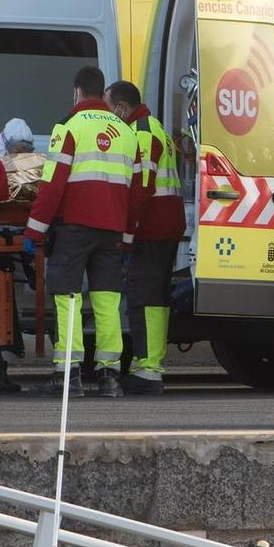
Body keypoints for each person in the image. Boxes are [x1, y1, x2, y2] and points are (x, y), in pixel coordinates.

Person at [23, 65, 136, 397]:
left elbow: (52, 185)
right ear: (102, 95)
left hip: (75, 227)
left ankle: (68, 376)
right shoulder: (126, 132)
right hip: (112, 230)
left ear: (76, 92)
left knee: (68, 297)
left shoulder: (68, 127)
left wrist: (34, 231)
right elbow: (135, 191)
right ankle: (110, 376)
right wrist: (127, 237)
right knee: (107, 300)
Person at [108, 80, 184, 395]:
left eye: (109, 108)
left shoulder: (140, 133)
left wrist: (127, 233)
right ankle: (148, 364)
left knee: (145, 298)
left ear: (121, 107)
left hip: (153, 227)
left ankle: (148, 369)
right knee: (155, 297)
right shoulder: (154, 127)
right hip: (165, 224)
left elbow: (141, 188)